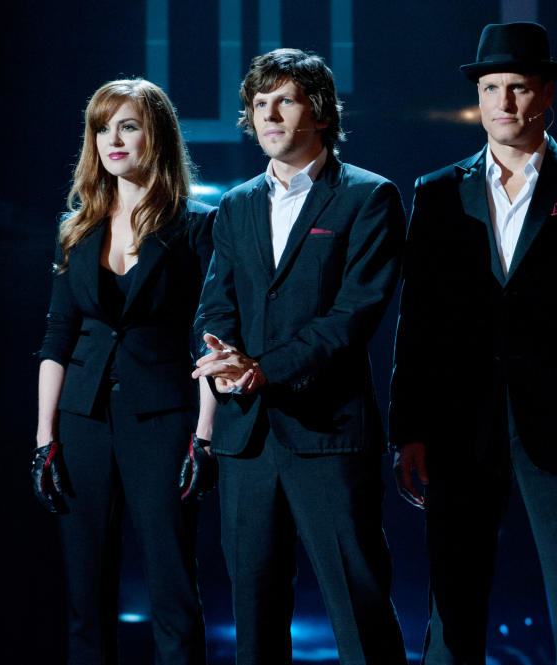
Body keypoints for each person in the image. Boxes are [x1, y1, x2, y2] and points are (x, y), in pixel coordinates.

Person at [388, 21, 557, 664]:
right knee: (452, 609)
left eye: (517, 87)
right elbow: (417, 321)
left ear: (547, 93)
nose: (502, 102)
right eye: (491, 87)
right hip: (457, 426)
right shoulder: (438, 191)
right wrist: (408, 429)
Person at [190, 48, 406, 664]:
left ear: (320, 111)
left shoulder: (368, 196)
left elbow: (353, 316)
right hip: (246, 442)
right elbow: (214, 305)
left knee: (358, 610)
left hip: (328, 436)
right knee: (253, 619)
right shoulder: (234, 204)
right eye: (259, 104)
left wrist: (263, 369)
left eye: (284, 100)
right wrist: (223, 358)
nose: (269, 114)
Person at [34, 79, 217, 665]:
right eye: (102, 127)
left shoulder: (197, 226)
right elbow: (57, 338)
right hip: (81, 421)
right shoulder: (78, 226)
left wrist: (205, 435)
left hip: (163, 419)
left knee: (172, 590)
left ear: (154, 135)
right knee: (86, 597)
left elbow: (212, 335)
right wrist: (44, 440)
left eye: (128, 125)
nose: (112, 139)